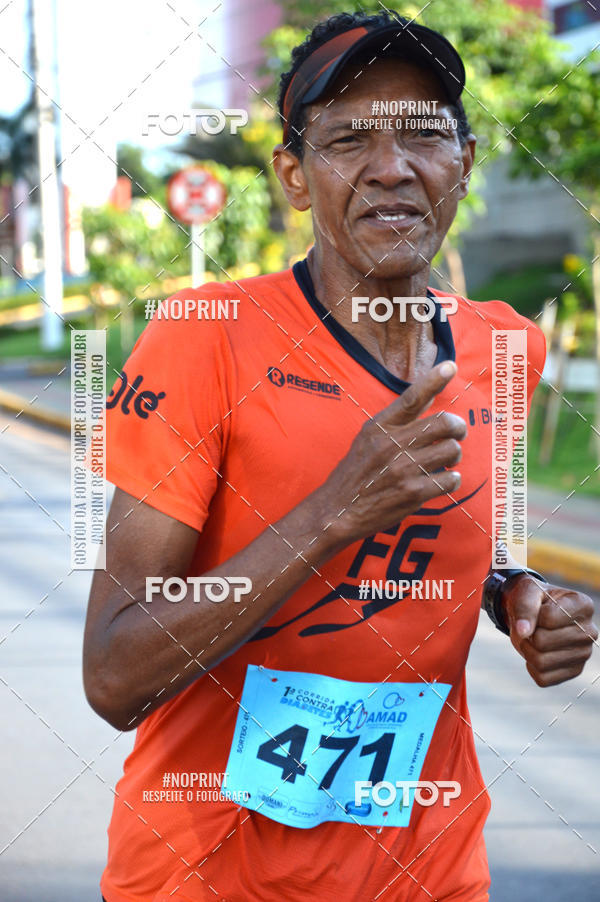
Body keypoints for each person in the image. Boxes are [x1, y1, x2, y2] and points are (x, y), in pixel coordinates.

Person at [84, 10, 597, 902]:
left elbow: (460, 541)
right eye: (349, 139)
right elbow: (114, 675)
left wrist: (515, 595)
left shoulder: (507, 347)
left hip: (429, 866)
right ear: (293, 175)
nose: (391, 167)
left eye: (425, 135)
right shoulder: (205, 340)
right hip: (209, 872)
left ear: (465, 162)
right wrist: (332, 513)